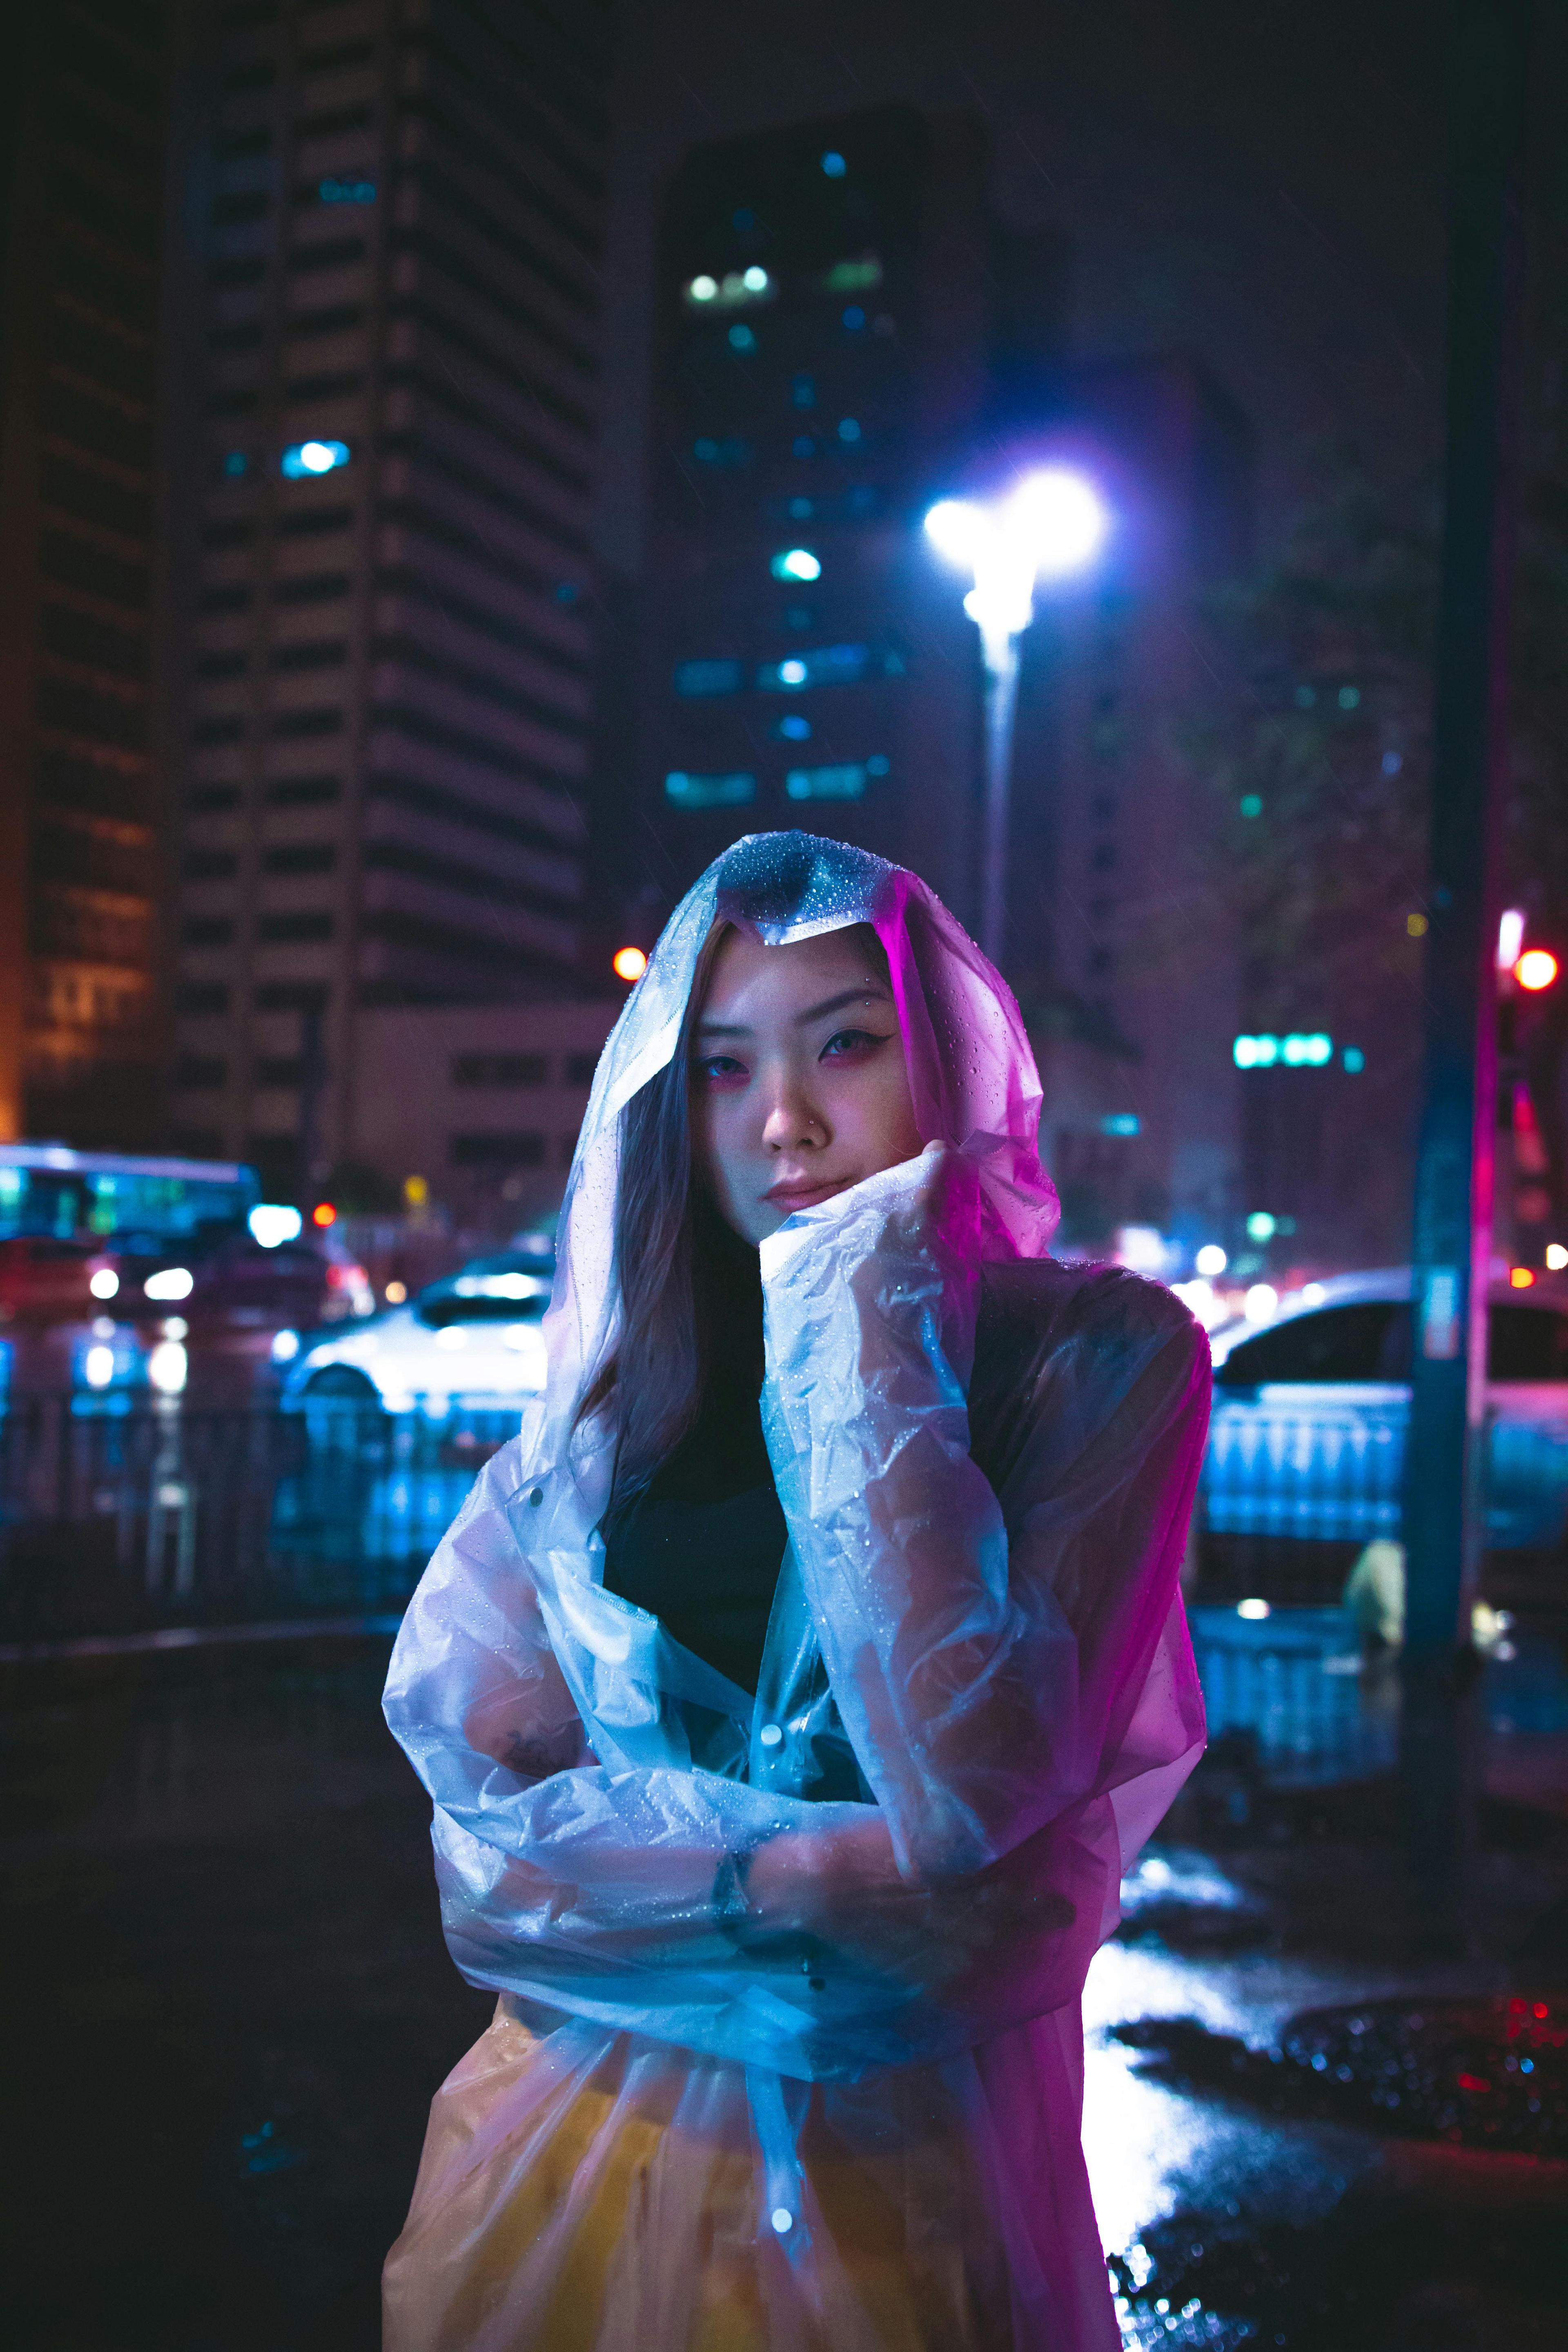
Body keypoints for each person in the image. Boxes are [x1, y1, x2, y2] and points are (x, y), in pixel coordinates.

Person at [382, 832, 1210, 2350]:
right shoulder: (605, 1424)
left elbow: (977, 1792)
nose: (785, 1122)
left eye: (847, 1044)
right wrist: (793, 1879)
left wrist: (857, 1306)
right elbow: (486, 1853)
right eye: (719, 1069)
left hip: (906, 2195)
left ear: (945, 1064)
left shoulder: (1098, 1358)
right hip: (563, 2177)